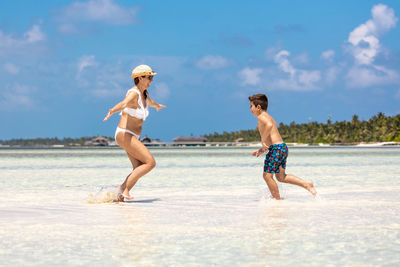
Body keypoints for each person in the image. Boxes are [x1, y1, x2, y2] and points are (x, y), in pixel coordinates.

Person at [103, 64, 166, 201]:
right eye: (149, 77)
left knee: (138, 167)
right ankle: (124, 190)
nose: (151, 80)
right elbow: (123, 103)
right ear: (140, 78)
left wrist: (157, 106)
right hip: (125, 134)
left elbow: (151, 102)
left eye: (151, 77)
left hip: (131, 135)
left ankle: (117, 195)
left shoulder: (145, 94)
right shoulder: (133, 93)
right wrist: (112, 111)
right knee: (150, 163)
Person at [249, 93, 317, 200]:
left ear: (258, 107)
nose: (250, 109)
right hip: (282, 147)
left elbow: (269, 127)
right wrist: (261, 150)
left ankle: (277, 201)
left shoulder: (261, 117)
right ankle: (306, 184)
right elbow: (270, 139)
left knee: (267, 176)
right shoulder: (268, 117)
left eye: (251, 106)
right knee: (281, 177)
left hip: (276, 149)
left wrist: (262, 140)